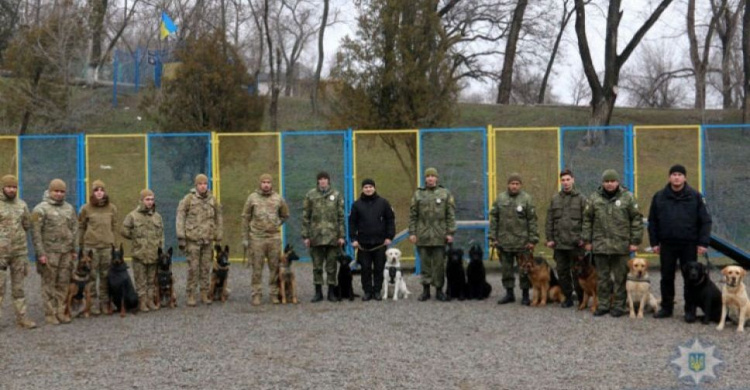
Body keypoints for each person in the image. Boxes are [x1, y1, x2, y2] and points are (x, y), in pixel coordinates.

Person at [648, 164, 712, 321]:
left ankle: (690, 310)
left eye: (680, 174)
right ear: (669, 177)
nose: (676, 177)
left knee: (691, 278)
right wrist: (654, 243)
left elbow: (705, 221)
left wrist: (703, 243)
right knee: (666, 277)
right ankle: (666, 308)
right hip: (667, 244)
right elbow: (653, 222)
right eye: (674, 174)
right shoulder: (659, 197)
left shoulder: (695, 196)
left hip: (688, 244)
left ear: (685, 177)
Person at [582, 169, 643, 318]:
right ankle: (603, 305)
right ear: (602, 183)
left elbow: (636, 219)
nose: (609, 184)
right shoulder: (594, 198)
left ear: (617, 182)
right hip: (600, 245)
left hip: (620, 245)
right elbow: (587, 220)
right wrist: (587, 240)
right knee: (602, 278)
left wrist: (635, 241)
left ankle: (618, 305)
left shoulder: (628, 198)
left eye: (612, 181)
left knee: (620, 277)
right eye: (606, 181)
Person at [31, 179, 78, 325]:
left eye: (62, 191)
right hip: (49, 253)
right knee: (49, 284)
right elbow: (36, 234)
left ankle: (60, 311)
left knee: (63, 283)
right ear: (50, 191)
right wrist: (41, 254)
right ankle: (50, 314)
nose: (59, 194)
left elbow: (74, 229)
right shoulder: (39, 210)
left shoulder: (69, 208)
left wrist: (74, 250)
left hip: (66, 253)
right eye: (56, 191)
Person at [490, 173, 539, 306]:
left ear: (520, 185)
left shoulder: (527, 199)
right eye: (512, 184)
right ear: (508, 185)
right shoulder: (500, 198)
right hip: (504, 242)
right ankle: (509, 293)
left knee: (524, 270)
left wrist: (532, 240)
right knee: (506, 270)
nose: (514, 186)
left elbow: (532, 220)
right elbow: (494, 218)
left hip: (522, 242)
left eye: (517, 184)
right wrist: (493, 237)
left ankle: (524, 295)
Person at [409, 167, 456, 302]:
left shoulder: (445, 193)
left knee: (439, 265)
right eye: (427, 176)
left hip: (439, 235)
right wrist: (412, 232)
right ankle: (425, 290)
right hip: (423, 234)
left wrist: (450, 232)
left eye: (432, 176)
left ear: (436, 178)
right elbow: (413, 215)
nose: (430, 178)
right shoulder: (418, 194)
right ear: (425, 178)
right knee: (425, 264)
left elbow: (450, 214)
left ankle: (439, 290)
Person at [242, 173, 289, 306]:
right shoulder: (252, 198)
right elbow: (245, 217)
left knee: (274, 268)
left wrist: (276, 223)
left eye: (268, 182)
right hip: (257, 238)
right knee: (257, 268)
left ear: (271, 184)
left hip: (273, 238)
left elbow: (285, 214)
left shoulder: (278, 198)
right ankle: (256, 294)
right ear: (260, 183)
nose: (266, 184)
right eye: (264, 182)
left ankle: (274, 294)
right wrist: (245, 238)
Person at [176, 174, 223, 307]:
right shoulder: (189, 199)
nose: (203, 186)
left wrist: (218, 235)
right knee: (193, 268)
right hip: (193, 240)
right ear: (196, 185)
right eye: (200, 184)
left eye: (205, 184)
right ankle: (191, 294)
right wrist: (181, 237)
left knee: (205, 268)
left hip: (207, 240)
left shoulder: (212, 200)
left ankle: (204, 292)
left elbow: (219, 217)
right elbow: (180, 217)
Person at [349, 178, 395, 301]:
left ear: (374, 188)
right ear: (362, 189)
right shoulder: (356, 205)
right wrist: (353, 238)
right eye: (366, 187)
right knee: (365, 269)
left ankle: (377, 291)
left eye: (370, 187)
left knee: (379, 268)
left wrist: (389, 236)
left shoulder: (383, 203)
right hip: (363, 244)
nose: (368, 189)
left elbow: (390, 220)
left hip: (380, 243)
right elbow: (352, 223)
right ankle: (367, 291)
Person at [302, 171, 345, 303]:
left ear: (329, 180)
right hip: (316, 236)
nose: (323, 181)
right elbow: (305, 216)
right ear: (317, 181)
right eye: (320, 179)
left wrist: (341, 236)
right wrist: (306, 236)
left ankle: (331, 292)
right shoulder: (310, 195)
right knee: (317, 266)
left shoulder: (336, 195)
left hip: (332, 237)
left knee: (331, 266)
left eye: (325, 179)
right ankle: (318, 292)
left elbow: (341, 217)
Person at [0, 174, 37, 329]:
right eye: (9, 186)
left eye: (14, 187)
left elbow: (27, 224)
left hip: (19, 254)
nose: (11, 189)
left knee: (19, 287)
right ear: (3, 187)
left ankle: (22, 318)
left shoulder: (22, 205)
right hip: (1, 254)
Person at [545, 169, 586, 308]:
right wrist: (550, 238)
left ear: (573, 180)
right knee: (562, 272)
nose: (566, 182)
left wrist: (583, 239)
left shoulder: (581, 198)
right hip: (560, 244)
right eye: (563, 180)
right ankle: (567, 297)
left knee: (577, 272)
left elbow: (587, 221)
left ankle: (581, 298)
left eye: (568, 179)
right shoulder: (555, 199)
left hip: (576, 244)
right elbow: (549, 220)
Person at [78, 179, 118, 315]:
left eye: (101, 190)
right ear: (92, 192)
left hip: (107, 247)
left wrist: (114, 246)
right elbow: (81, 227)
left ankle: (105, 303)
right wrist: (81, 246)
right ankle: (92, 304)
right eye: (96, 190)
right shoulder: (86, 208)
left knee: (106, 276)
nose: (99, 193)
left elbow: (114, 227)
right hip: (91, 248)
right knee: (91, 276)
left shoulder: (112, 208)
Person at [121, 189, 164, 312]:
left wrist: (160, 250)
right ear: (142, 200)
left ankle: (150, 301)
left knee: (151, 281)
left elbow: (161, 235)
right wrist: (135, 237)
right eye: (147, 199)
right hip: (139, 254)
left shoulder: (157, 217)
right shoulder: (133, 216)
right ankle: (142, 302)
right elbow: (124, 230)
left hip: (153, 254)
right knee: (141, 281)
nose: (150, 202)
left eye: (152, 199)